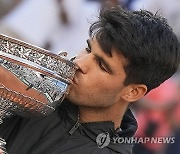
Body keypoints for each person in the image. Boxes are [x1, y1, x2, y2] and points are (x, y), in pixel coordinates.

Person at [0, 5, 180, 154]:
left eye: (102, 65)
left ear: (133, 92)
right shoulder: (35, 96)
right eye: (88, 49)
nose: (79, 63)